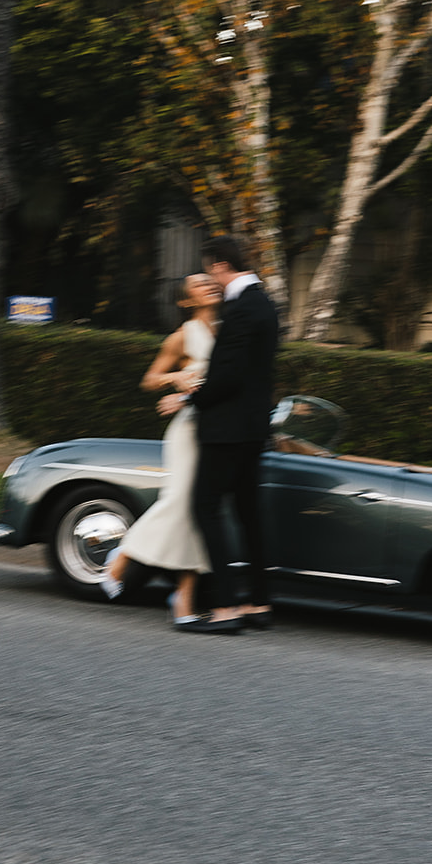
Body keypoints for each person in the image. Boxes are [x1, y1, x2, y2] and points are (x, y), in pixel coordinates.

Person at [159, 234, 278, 635]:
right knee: (248, 514)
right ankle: (257, 602)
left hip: (226, 430)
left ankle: (225, 607)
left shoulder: (242, 308)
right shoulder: (265, 303)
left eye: (212, 269)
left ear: (221, 265)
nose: (212, 277)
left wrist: (190, 399)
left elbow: (228, 377)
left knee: (205, 507)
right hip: (253, 429)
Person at [101, 272, 219, 623]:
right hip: (189, 432)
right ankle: (120, 562)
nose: (209, 285)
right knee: (180, 502)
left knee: (200, 513)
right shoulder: (182, 336)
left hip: (218, 430)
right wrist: (175, 379)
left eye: (211, 280)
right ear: (187, 300)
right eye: (200, 284)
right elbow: (149, 379)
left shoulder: (230, 329)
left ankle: (184, 600)